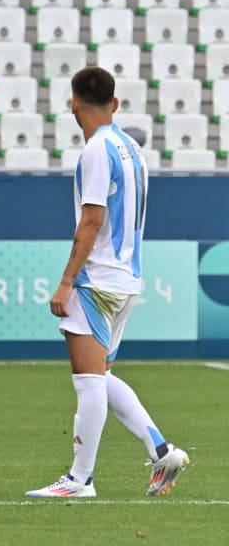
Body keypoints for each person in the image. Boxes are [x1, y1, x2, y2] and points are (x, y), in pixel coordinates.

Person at [27, 66, 189, 498]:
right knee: (101, 373)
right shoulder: (131, 147)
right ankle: (161, 449)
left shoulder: (97, 150)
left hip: (97, 280)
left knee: (88, 380)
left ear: (73, 105)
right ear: (114, 104)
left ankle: (80, 479)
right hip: (127, 278)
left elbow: (92, 218)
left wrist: (66, 281)